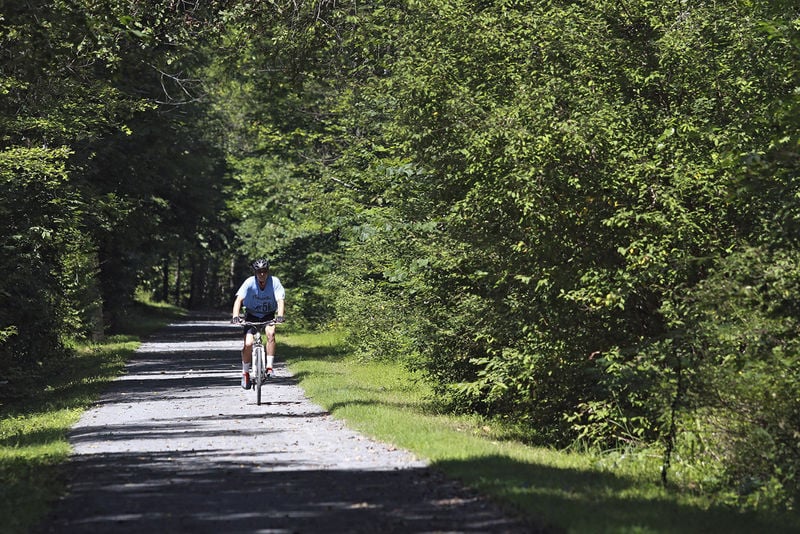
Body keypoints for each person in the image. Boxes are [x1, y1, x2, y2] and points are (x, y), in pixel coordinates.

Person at [231, 258, 285, 389]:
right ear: (255, 272)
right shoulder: (249, 282)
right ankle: (245, 373)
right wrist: (235, 316)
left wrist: (280, 316)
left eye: (264, 271)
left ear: (268, 272)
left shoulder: (274, 282)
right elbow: (239, 300)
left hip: (268, 314)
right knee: (248, 343)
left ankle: (269, 367)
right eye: (259, 271)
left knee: (271, 334)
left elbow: (280, 300)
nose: (262, 274)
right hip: (251, 315)